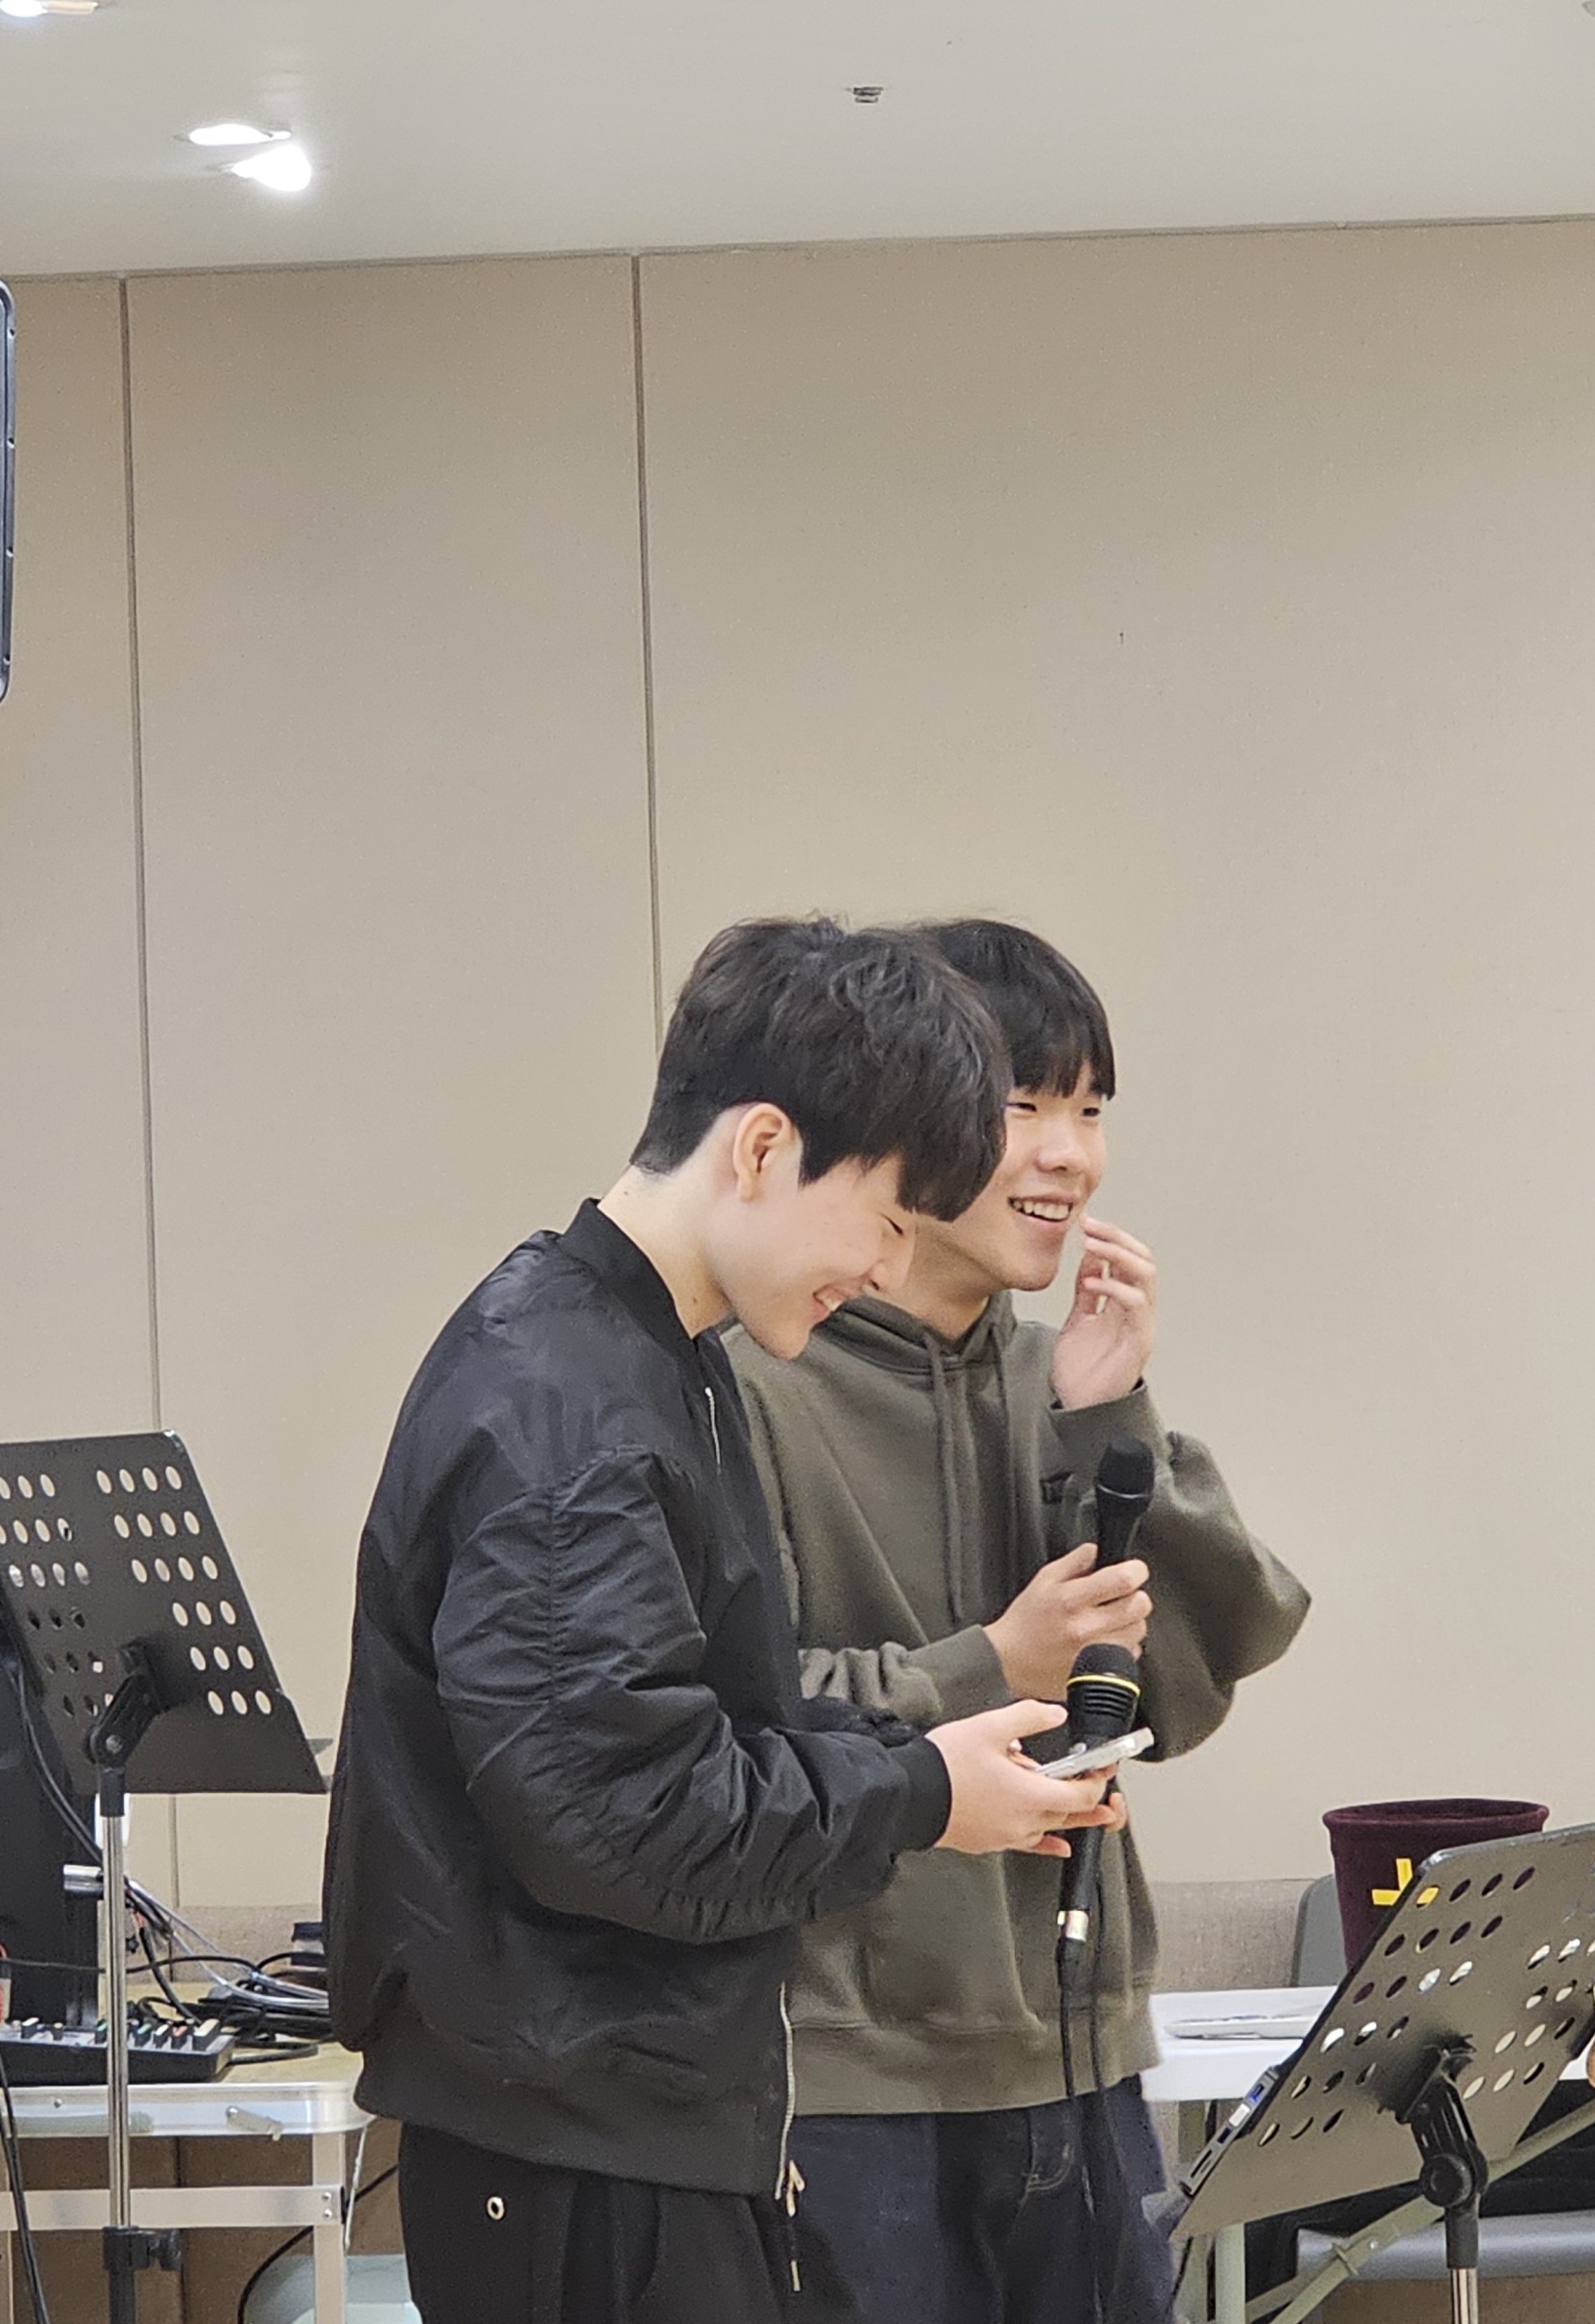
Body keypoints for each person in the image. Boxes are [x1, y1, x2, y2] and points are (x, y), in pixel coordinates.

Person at [323, 918, 1126, 2324]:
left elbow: (708, 1728)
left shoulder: (649, 1358)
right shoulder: (568, 1402)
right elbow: (617, 1816)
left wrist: (933, 1770)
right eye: (886, 1217)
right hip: (571, 2140)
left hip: (629, 2120)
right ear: (762, 1147)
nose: (886, 1269)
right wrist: (921, 1793)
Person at [728, 919, 1311, 2324]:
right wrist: (989, 1663)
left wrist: (1110, 1423)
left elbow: (1186, 1686)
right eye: (1024, 1106)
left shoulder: (1069, 1371)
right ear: (900, 1117)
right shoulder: (751, 1380)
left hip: (1081, 2049)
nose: (1070, 1155)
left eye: (1091, 1109)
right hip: (842, 2073)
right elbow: (730, 1720)